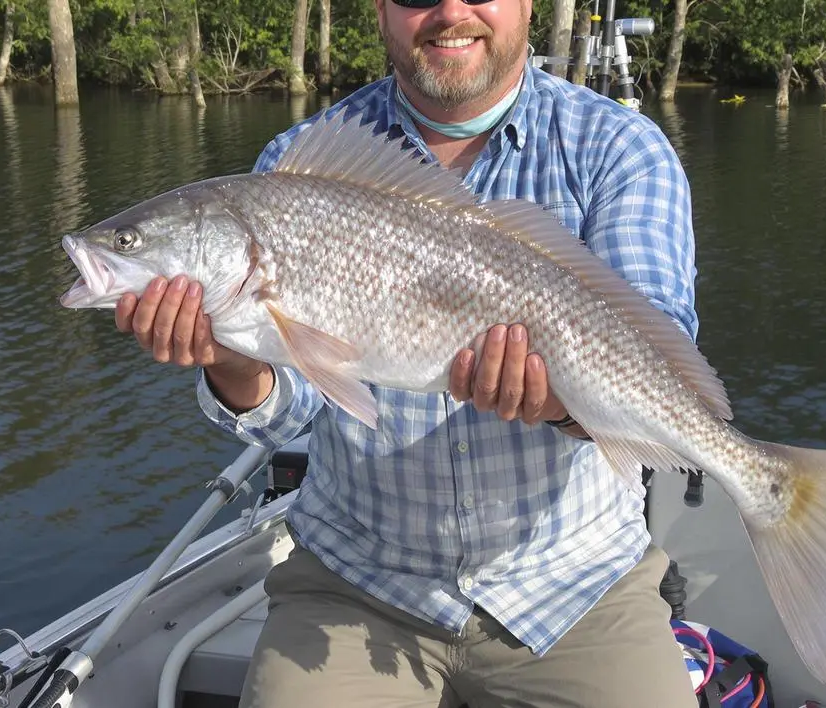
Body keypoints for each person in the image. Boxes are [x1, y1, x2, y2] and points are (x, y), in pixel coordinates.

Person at [116, 0, 699, 705]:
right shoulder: (298, 167)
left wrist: (562, 403)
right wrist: (230, 360)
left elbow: (659, 359)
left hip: (574, 584)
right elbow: (295, 415)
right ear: (382, 11)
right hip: (358, 582)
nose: (450, 11)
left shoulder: (619, 148)